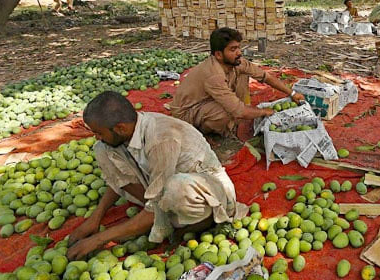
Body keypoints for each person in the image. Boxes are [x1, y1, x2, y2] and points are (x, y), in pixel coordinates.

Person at [67, 91, 247, 259]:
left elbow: (159, 199)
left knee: (175, 187)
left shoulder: (160, 138)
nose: (97, 137)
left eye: (99, 133)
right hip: (162, 188)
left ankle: (198, 223)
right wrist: (95, 218)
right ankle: (154, 220)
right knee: (102, 150)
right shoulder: (126, 134)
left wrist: (99, 239)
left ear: (120, 128)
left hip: (207, 193)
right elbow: (119, 179)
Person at [170, 27, 305, 138]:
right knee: (227, 112)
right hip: (187, 112)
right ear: (218, 54)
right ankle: (208, 130)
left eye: (239, 48)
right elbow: (238, 110)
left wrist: (292, 93)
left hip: (207, 99)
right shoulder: (213, 75)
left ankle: (239, 118)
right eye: (233, 49)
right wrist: (264, 112)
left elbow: (265, 76)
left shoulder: (236, 62)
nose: (239, 53)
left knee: (243, 75)